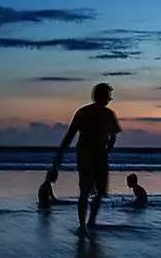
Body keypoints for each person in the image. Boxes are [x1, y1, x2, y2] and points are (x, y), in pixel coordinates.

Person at [48, 82, 121, 234]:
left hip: (96, 154)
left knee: (98, 190)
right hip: (87, 154)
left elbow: (113, 136)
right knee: (87, 190)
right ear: (100, 96)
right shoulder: (86, 112)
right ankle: (84, 224)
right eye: (108, 96)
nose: (109, 99)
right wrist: (60, 155)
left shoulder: (105, 114)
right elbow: (71, 135)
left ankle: (89, 222)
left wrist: (107, 149)